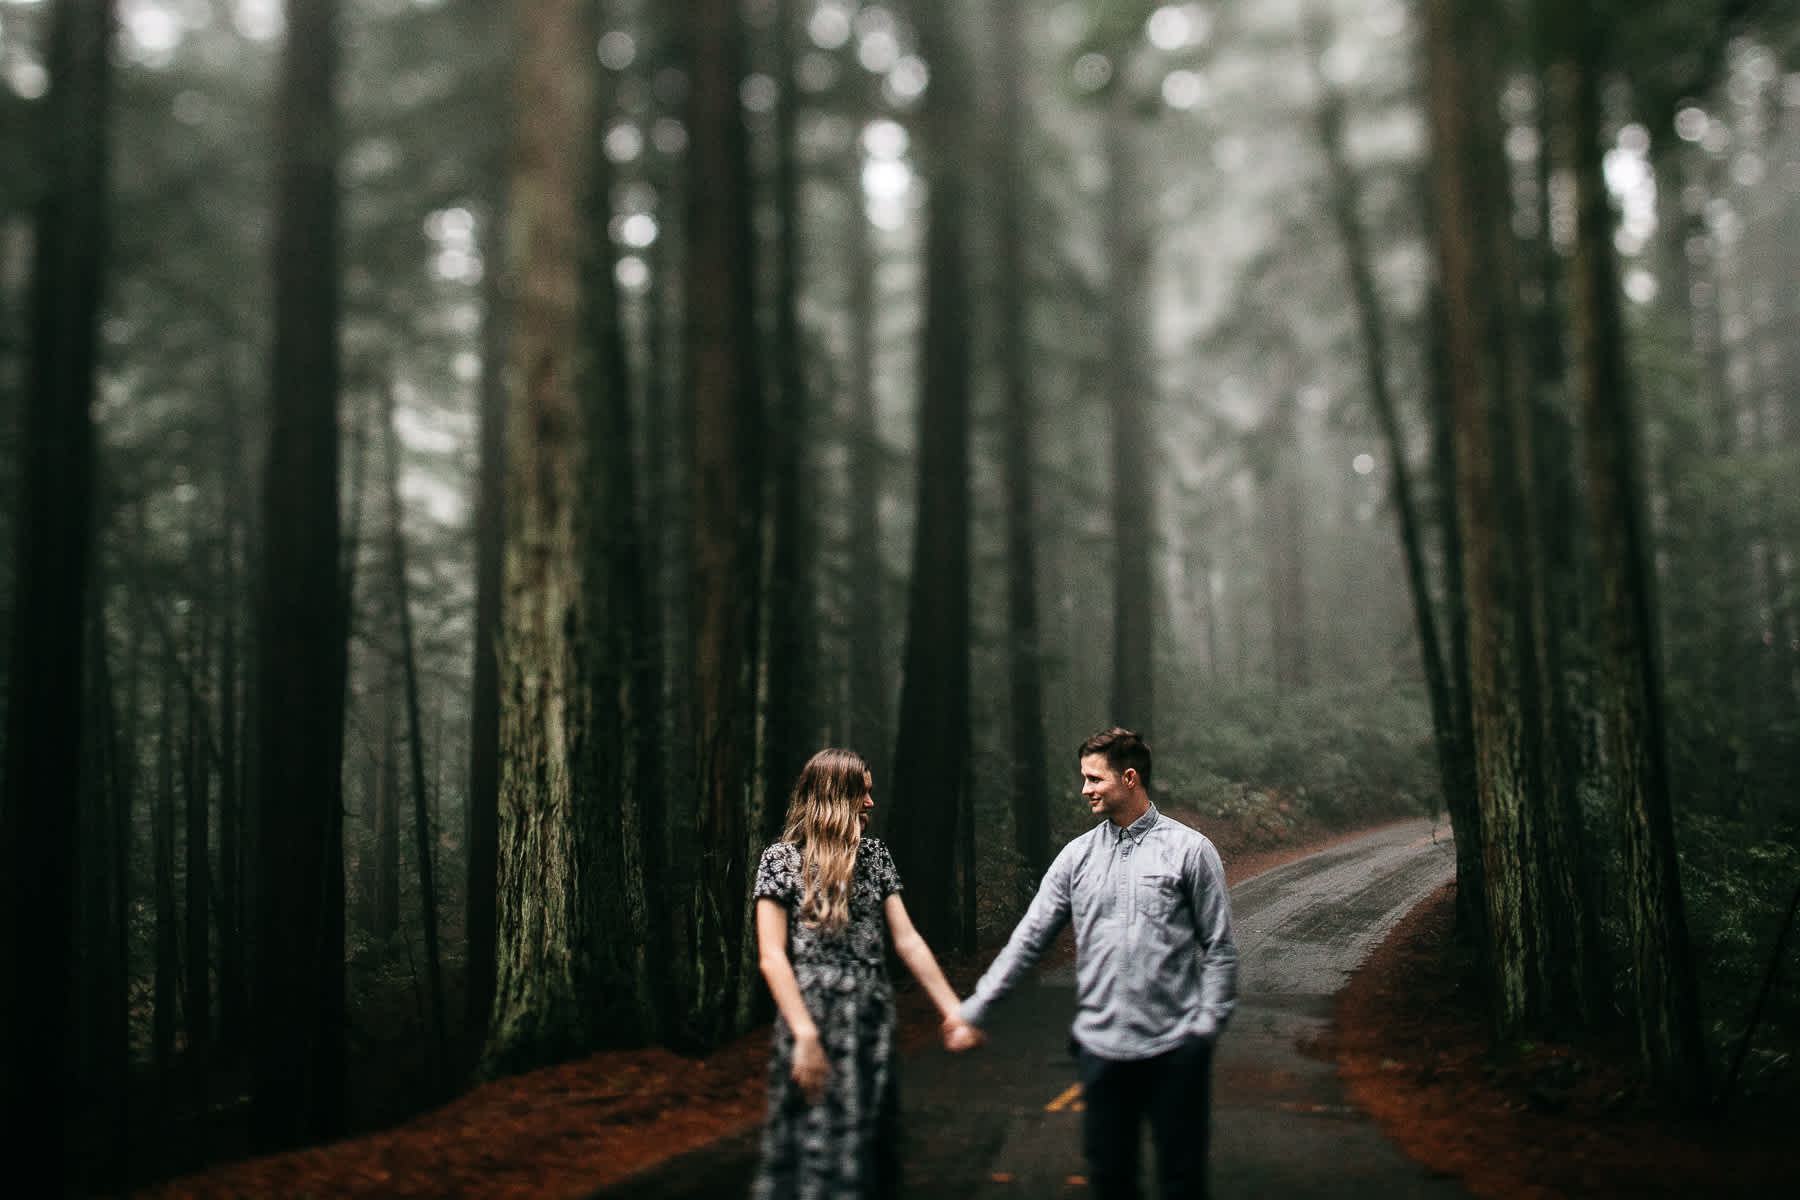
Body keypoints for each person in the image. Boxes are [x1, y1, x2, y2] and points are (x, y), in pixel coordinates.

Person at [948, 727, 1238, 1200]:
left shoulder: (1191, 850)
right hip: (1101, 1053)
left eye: (1093, 779)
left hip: (1175, 1050)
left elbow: (1220, 948)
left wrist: (1205, 1029)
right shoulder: (1075, 858)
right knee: (1110, 1182)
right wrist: (974, 1008)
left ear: (1129, 778)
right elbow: (1027, 942)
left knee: (1182, 1183)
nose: (1084, 789)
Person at [751, 747, 976, 1199]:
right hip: (811, 1012)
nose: (871, 803)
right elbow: (772, 956)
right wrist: (805, 1036)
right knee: (813, 1141)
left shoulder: (873, 855)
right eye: (862, 793)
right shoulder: (780, 859)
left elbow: (907, 940)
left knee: (869, 1140)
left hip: (870, 1013)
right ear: (834, 796)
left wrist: (955, 1009)